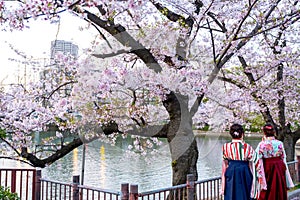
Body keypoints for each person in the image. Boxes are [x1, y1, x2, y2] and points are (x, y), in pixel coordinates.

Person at [221, 123, 266, 200]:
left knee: (230, 193)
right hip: (244, 170)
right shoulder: (246, 147)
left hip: (231, 170)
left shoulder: (225, 147)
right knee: (245, 193)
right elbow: (256, 161)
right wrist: (259, 177)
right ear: (242, 134)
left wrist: (223, 180)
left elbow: (224, 163)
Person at [256, 123, 294, 200]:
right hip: (279, 166)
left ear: (264, 132)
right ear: (274, 132)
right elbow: (283, 157)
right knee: (279, 186)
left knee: (268, 187)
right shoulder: (279, 143)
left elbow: (257, 158)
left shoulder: (262, 145)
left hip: (267, 167)